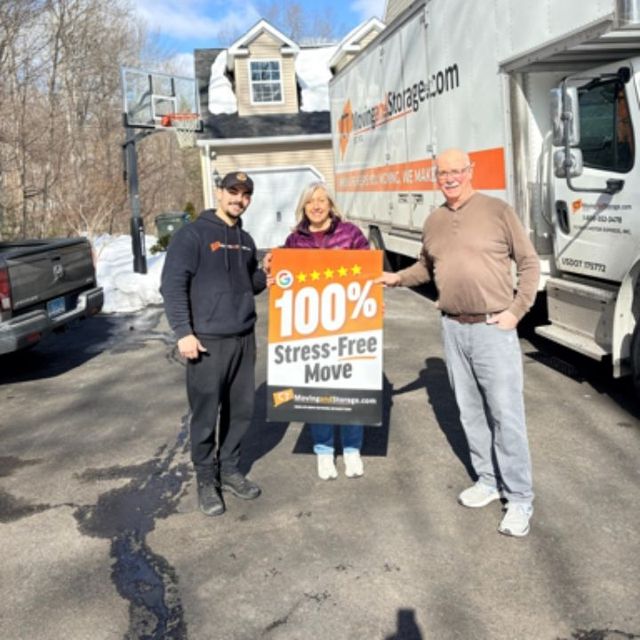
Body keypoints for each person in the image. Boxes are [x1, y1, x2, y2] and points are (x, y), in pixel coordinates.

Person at [377, 149, 540, 537]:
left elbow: (530, 263)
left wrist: (516, 311)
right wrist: (395, 278)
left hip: (493, 328)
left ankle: (519, 498)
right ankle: (487, 480)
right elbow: (426, 268)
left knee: (506, 415)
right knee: (469, 412)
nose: (449, 177)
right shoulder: (433, 221)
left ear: (470, 171)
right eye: (442, 172)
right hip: (453, 328)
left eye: (456, 171)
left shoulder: (497, 211)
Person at [161, 171, 266, 517]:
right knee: (206, 415)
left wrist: (266, 271)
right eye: (233, 191)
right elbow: (172, 286)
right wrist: (183, 332)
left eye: (245, 194)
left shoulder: (246, 239)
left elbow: (250, 284)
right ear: (219, 193)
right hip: (206, 342)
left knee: (241, 411)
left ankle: (230, 470)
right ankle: (207, 479)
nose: (239, 198)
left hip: (243, 339)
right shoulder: (192, 235)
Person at [283, 181, 370, 480]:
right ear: (304, 208)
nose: (317, 206)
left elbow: (368, 275)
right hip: (312, 328)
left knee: (351, 388)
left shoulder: (351, 235)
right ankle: (323, 450)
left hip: (350, 324)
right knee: (318, 389)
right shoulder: (294, 241)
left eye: (322, 200)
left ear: (331, 204)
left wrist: (373, 300)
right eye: (311, 202)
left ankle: (351, 450)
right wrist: (272, 265)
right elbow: (284, 277)